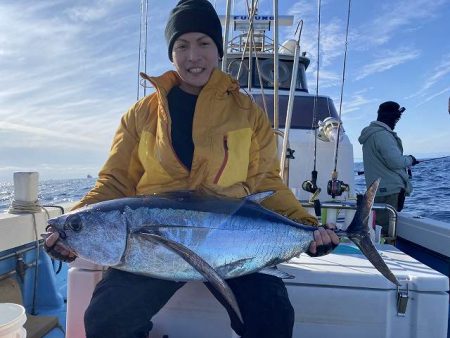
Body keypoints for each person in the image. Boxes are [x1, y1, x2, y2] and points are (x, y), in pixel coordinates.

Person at [43, 1, 339, 337]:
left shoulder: (248, 112)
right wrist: (74, 228)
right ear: (172, 53)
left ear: (218, 50)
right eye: (182, 45)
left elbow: (266, 179)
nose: (193, 56)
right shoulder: (140, 115)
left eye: (204, 44)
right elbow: (114, 181)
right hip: (151, 249)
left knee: (271, 318)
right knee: (105, 318)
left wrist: (307, 227)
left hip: (232, 240)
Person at [358, 101, 419, 234]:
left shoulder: (371, 134)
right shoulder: (382, 135)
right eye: (396, 118)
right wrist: (410, 159)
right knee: (385, 233)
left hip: (377, 191)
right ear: (391, 117)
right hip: (389, 192)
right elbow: (395, 161)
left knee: (377, 230)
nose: (396, 121)